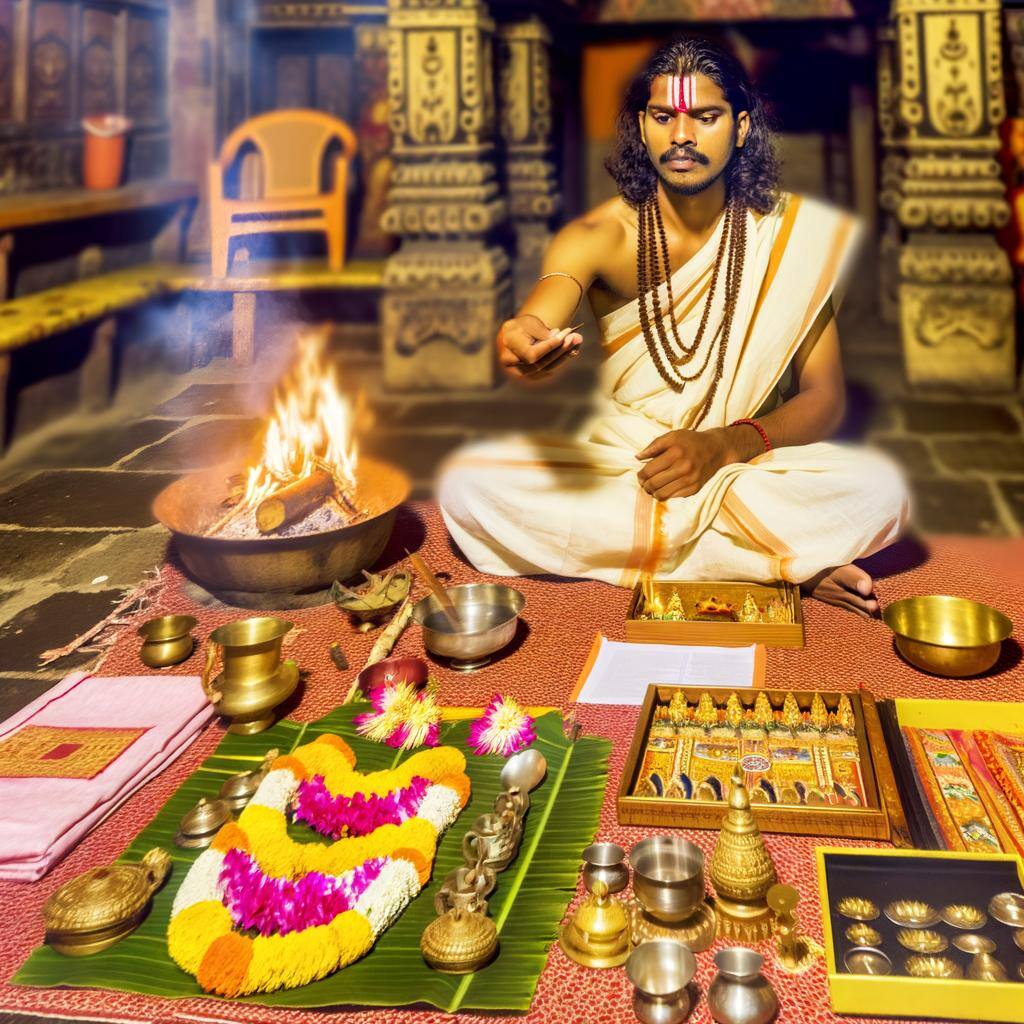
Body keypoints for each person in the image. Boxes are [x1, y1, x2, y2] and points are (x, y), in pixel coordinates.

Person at [437, 36, 908, 617]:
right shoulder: (600, 235)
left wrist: (724, 445)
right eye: (664, 117)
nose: (681, 136)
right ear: (643, 126)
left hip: (745, 461)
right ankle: (775, 563)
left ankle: (712, 548)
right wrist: (525, 334)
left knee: (884, 488)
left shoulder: (786, 236)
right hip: (635, 464)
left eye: (704, 117)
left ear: (739, 127)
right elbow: (542, 306)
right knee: (468, 485)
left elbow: (827, 398)